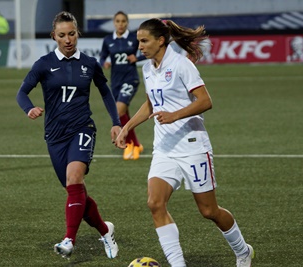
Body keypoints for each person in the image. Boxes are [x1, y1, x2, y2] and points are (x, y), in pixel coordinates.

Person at [115, 18, 254, 267]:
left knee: (209, 211)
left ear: (160, 40)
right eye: (139, 41)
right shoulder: (147, 68)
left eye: (144, 41)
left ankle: (243, 251)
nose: (140, 46)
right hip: (164, 149)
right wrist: (127, 127)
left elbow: (205, 101)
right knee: (155, 203)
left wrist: (174, 115)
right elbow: (151, 104)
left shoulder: (181, 65)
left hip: (192, 147)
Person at [16, 11, 120, 259]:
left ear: (77, 33)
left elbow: (105, 92)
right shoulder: (43, 64)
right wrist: (29, 108)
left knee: (74, 179)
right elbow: (22, 92)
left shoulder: (89, 64)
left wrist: (116, 123)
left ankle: (69, 240)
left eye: (72, 34)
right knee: (76, 192)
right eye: (62, 35)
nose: (68, 39)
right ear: (54, 36)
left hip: (82, 128)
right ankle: (106, 231)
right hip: (55, 136)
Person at [100, 11, 145, 160]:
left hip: (130, 79)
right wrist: (104, 63)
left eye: (123, 21)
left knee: (119, 111)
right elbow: (102, 56)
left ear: (127, 23)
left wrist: (136, 57)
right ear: (114, 23)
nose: (120, 24)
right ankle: (136, 145)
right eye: (118, 21)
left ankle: (129, 144)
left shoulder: (133, 38)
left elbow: (148, 51)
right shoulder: (108, 40)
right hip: (115, 81)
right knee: (124, 112)